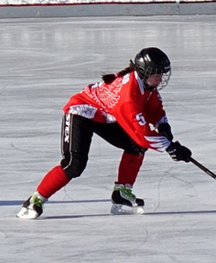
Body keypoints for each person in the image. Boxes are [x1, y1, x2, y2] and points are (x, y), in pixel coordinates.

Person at [17, 48, 192, 219]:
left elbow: (154, 109)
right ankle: (35, 200)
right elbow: (143, 134)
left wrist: (164, 127)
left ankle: (122, 192)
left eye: (162, 74)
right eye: (157, 74)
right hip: (81, 113)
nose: (160, 78)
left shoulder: (145, 85)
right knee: (74, 164)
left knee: (135, 146)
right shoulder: (127, 96)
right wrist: (171, 147)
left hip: (104, 116)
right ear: (144, 72)